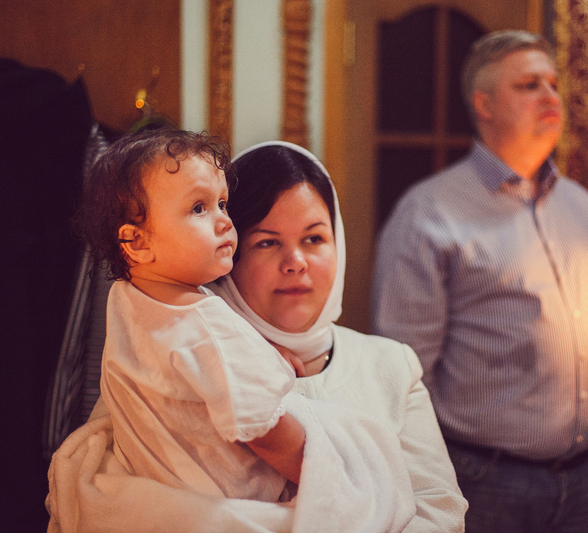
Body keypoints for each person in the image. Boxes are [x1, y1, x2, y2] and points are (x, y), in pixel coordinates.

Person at [46, 140, 467, 533]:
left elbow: (439, 512)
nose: (296, 262)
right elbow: (112, 500)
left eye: (314, 238)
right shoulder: (164, 348)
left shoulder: (391, 365)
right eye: (267, 242)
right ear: (234, 255)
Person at [372, 30, 588, 533]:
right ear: (484, 104)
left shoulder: (582, 207)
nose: (550, 96)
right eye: (529, 85)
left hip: (584, 476)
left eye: (553, 84)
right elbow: (403, 368)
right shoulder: (430, 213)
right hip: (482, 478)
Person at [76, 129, 304, 500]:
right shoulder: (207, 326)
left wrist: (260, 352)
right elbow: (267, 432)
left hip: (158, 489)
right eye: (199, 208)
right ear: (138, 242)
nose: (225, 221)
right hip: (231, 500)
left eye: (222, 204)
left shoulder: (127, 297)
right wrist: (322, 473)